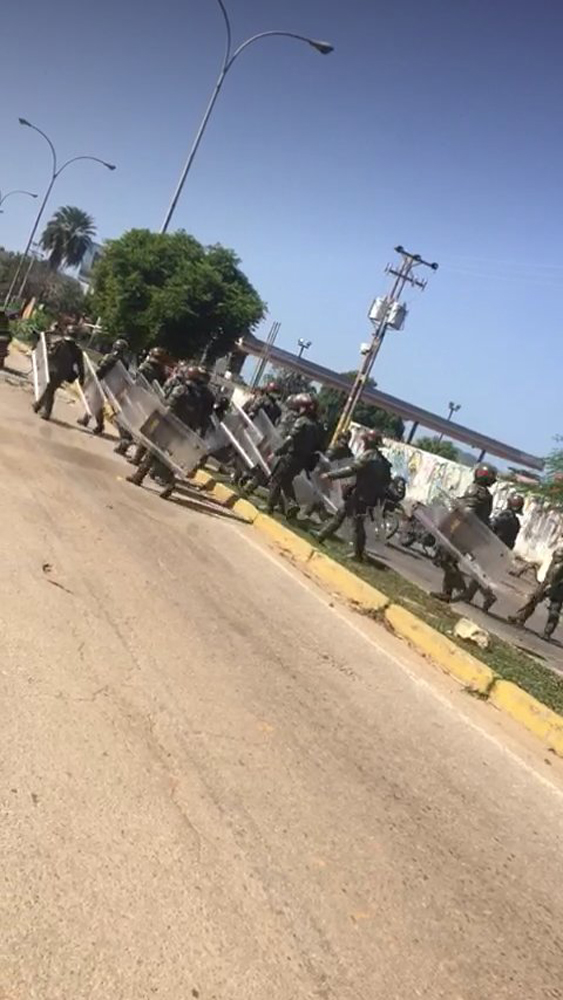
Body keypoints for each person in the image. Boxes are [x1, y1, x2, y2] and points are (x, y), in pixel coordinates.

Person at [314, 429, 392, 561]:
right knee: (342, 514)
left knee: (357, 523)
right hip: (368, 496)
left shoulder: (368, 456)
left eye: (365, 440)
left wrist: (330, 475)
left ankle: (358, 554)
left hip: (361, 494)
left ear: (369, 442)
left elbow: (351, 469)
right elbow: (386, 481)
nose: (363, 443)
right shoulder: (382, 461)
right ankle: (321, 535)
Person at [126, 367, 204, 498]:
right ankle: (170, 483)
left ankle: (138, 477)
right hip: (182, 432)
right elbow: (197, 417)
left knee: (152, 452)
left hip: (168, 426)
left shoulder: (181, 389)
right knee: (170, 460)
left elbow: (168, 408)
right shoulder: (199, 397)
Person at [431, 463, 498, 607]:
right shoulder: (487, 495)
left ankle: (461, 589)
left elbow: (467, 511)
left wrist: (456, 508)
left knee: (444, 559)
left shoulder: (475, 490)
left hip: (462, 531)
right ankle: (447, 593)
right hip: (471, 535)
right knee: (450, 561)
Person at [266, 393, 323, 519]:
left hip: (291, 456)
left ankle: (269, 506)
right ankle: (292, 504)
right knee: (286, 481)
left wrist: (276, 453)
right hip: (302, 460)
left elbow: (290, 440)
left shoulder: (301, 421)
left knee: (276, 479)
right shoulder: (316, 425)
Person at [508, 547, 563, 641]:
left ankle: (547, 633)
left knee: (554, 610)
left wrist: (554, 586)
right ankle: (520, 618)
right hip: (546, 582)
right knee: (533, 599)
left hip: (558, 588)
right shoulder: (554, 559)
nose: (555, 558)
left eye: (558, 557)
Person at [32, 326, 85, 421]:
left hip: (54, 370)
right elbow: (80, 366)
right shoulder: (77, 350)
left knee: (50, 389)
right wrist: (82, 378)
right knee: (49, 388)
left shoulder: (60, 343)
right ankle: (38, 405)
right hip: (63, 373)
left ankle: (46, 412)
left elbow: (50, 354)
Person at [78, 337, 129, 435]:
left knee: (95, 402)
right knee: (96, 403)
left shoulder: (110, 357)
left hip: (103, 383)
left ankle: (99, 425)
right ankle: (87, 419)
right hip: (113, 387)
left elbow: (101, 368)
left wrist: (93, 379)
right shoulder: (124, 364)